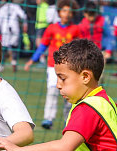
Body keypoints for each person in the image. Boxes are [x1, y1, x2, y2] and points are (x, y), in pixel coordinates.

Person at [25, 0, 80, 130]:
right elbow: (43, 45)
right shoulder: (52, 28)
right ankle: (48, 119)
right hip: (53, 67)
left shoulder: (75, 29)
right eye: (64, 11)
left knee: (69, 94)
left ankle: (69, 120)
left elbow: (79, 48)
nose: (66, 14)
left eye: (69, 11)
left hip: (70, 68)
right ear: (59, 12)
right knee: (52, 92)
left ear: (72, 14)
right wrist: (32, 60)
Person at [0, 0, 29, 72]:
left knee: (4, 48)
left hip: (5, 30)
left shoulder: (2, 8)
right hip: (14, 29)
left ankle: (2, 65)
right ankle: (14, 63)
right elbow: (24, 16)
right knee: (14, 47)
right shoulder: (16, 6)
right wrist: (25, 24)